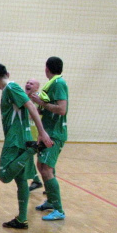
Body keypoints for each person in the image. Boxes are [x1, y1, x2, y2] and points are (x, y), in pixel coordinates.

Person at [0, 64, 53, 229]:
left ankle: (33, 149)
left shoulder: (11, 87)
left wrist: (42, 132)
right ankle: (22, 218)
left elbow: (31, 106)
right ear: (7, 73)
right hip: (22, 137)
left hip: (15, 139)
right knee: (21, 180)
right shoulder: (12, 89)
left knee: (4, 175)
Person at [28, 56, 69, 221]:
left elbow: (61, 110)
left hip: (54, 134)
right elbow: (49, 109)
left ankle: (58, 209)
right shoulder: (53, 84)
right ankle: (51, 201)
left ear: (47, 68)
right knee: (42, 165)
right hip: (48, 131)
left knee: (46, 169)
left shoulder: (59, 84)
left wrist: (42, 104)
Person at [24, 78, 45, 192]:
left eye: (31, 83)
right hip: (29, 134)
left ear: (37, 88)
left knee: (44, 162)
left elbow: (45, 112)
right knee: (28, 158)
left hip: (40, 134)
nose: (28, 84)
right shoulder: (23, 97)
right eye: (27, 82)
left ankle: (48, 184)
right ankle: (36, 180)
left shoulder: (41, 98)